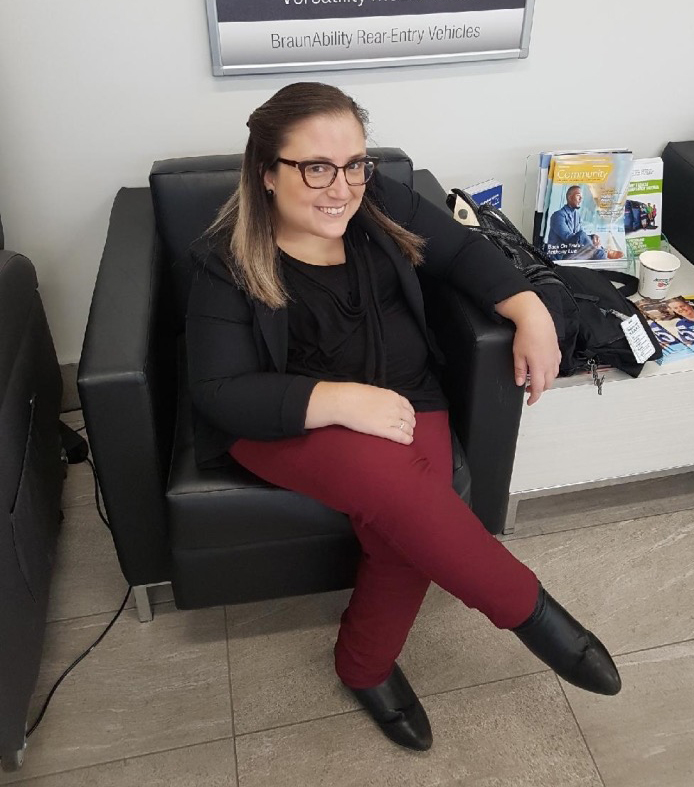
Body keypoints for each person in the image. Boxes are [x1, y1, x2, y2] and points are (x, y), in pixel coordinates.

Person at [186, 83, 621, 752]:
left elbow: (461, 251)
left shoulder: (379, 199)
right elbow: (220, 389)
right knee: (399, 486)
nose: (342, 186)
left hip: (409, 394)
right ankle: (534, 616)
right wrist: (337, 399)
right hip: (288, 419)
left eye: (354, 162)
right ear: (267, 173)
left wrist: (529, 308)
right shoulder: (225, 262)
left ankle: (362, 665)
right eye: (316, 167)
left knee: (410, 521)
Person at [547, 185, 607, 260]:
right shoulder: (558, 215)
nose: (581, 199)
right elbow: (570, 237)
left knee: (600, 252)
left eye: (582, 197)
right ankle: (597, 251)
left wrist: (592, 237)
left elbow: (580, 238)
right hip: (560, 256)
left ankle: (598, 251)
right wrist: (590, 240)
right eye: (578, 196)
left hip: (573, 252)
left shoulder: (576, 215)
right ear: (570, 197)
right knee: (584, 238)